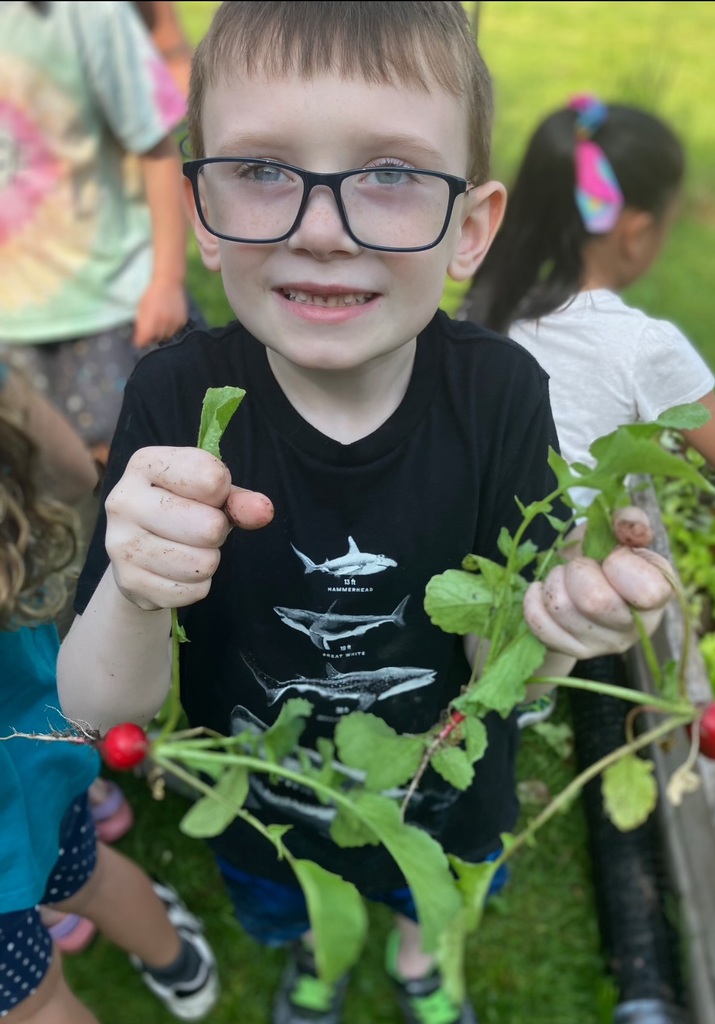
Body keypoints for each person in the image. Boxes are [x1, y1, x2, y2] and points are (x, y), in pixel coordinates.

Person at [57, 6, 676, 1024]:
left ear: (471, 227)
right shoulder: (174, 403)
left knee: (426, 898)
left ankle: (420, 961)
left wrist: (553, 628)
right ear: (201, 212)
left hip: (439, 795)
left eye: (389, 174)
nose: (319, 228)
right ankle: (317, 955)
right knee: (301, 898)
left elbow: (500, 677)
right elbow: (97, 706)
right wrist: (132, 583)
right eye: (260, 169)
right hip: (263, 800)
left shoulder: (500, 397)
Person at [462, 94, 715, 725]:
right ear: (635, 233)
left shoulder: (481, 308)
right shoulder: (641, 347)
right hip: (542, 616)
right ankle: (517, 712)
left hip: (459, 566)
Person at [0, 362, 220, 1022]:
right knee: (86, 873)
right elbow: (69, 471)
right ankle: (180, 966)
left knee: (34, 1008)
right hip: (43, 759)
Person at [0, 0, 191, 468]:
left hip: (103, 311)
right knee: (34, 495)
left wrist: (167, 280)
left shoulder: (94, 15)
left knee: (118, 481)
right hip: (8, 324)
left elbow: (156, 147)